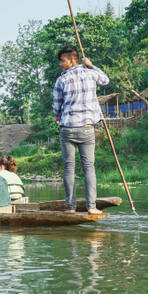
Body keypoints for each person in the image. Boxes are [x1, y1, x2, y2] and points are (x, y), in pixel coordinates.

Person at [53, 44, 108, 214]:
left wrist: (57, 115)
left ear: (71, 60)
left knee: (69, 167)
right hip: (86, 128)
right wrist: (92, 65)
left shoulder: (61, 79)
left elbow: (57, 105)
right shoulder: (91, 73)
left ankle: (71, 208)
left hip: (67, 127)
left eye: (62, 61)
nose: (61, 64)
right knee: (88, 167)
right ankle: (92, 207)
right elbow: (105, 80)